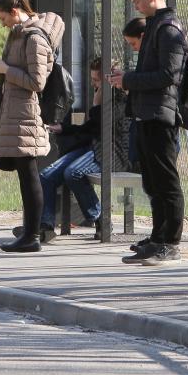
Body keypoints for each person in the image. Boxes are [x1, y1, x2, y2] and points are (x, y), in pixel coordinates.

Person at [108, 0, 188, 266]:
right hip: (145, 113)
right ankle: (157, 237)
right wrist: (126, 80)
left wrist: (128, 80)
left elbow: (170, 75)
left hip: (161, 115)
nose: (136, 8)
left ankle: (171, 242)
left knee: (166, 181)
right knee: (152, 183)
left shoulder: (169, 29)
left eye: (137, 1)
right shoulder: (154, 26)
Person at [0, 0, 63, 253]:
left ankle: (32, 235)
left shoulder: (34, 37)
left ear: (15, 11)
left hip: (26, 115)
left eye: (3, 17)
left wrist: (6, 70)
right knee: (25, 177)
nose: (2, 23)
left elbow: (37, 82)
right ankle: (29, 233)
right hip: (15, 112)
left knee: (30, 177)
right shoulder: (20, 34)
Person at [24, 53, 133, 242]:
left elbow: (106, 127)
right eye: (92, 79)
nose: (94, 84)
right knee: (46, 175)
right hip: (93, 148)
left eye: (97, 80)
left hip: (112, 153)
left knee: (73, 172)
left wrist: (97, 102)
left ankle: (100, 219)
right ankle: (46, 225)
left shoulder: (121, 99)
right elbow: (90, 129)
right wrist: (64, 128)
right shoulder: (103, 96)